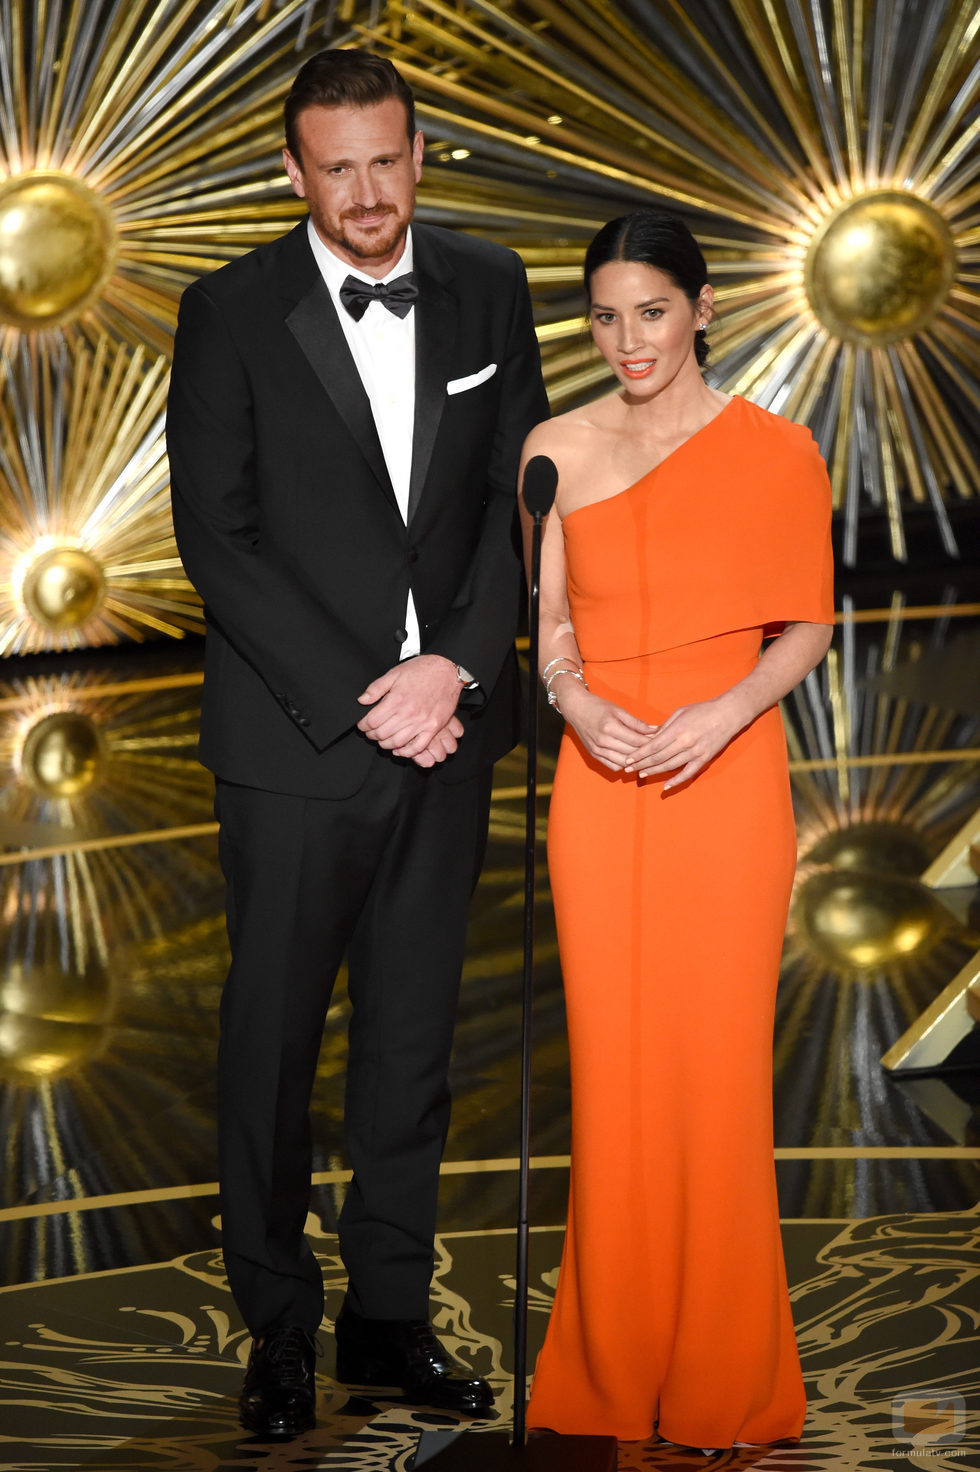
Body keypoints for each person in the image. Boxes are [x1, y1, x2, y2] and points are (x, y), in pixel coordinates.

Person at [166, 48, 548, 1440]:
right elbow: (220, 536)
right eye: (339, 168)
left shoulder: (491, 286)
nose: (369, 191)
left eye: (388, 159)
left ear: (419, 148)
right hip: (294, 743)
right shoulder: (226, 312)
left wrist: (453, 666)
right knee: (269, 1047)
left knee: (411, 1044)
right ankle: (276, 1326)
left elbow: (526, 504)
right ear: (293, 172)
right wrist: (365, 691)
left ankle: (390, 1315)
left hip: (447, 730)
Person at [518, 209, 834, 1450]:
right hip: (596, 793)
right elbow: (548, 623)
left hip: (726, 783)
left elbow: (802, 625)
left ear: (701, 309)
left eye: (651, 311)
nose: (627, 339)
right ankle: (607, 1370)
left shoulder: (775, 449)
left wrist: (720, 712)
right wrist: (574, 698)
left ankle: (722, 1376)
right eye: (605, 315)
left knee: (710, 1082)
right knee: (614, 1085)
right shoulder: (553, 449)